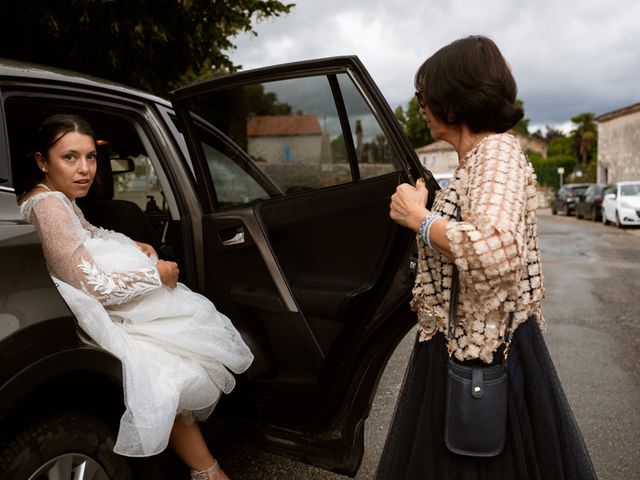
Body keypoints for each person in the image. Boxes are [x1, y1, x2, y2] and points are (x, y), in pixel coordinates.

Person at [375, 36, 597, 479]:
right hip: (463, 346)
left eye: (425, 95)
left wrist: (418, 219)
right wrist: (429, 207)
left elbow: (495, 251)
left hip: (487, 351)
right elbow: (468, 228)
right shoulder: (475, 160)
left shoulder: (496, 155)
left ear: (454, 101)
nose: (420, 105)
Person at [18, 114, 254, 480]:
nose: (85, 169)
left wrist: (129, 243)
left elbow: (86, 232)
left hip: (83, 304)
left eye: (91, 157)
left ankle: (209, 472)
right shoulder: (48, 205)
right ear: (41, 161)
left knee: (166, 374)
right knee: (165, 372)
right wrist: (155, 275)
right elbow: (92, 284)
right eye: (70, 158)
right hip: (96, 308)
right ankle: (210, 473)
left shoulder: (55, 198)